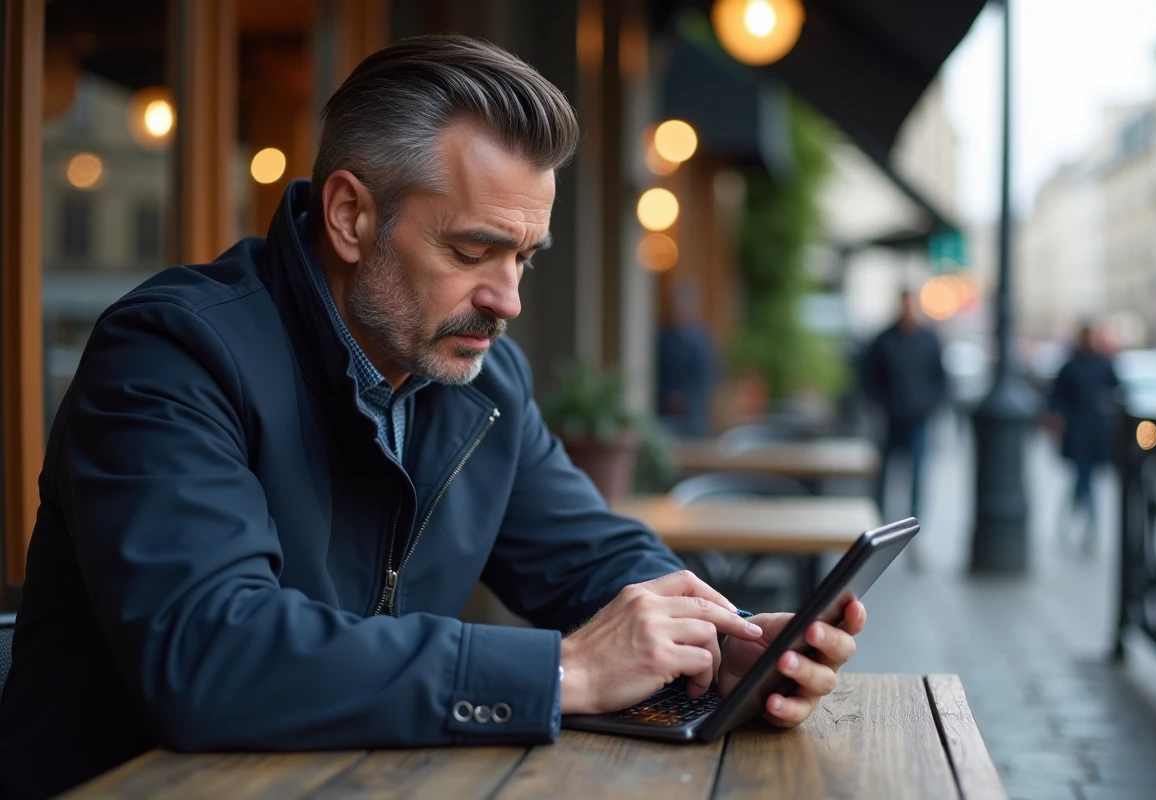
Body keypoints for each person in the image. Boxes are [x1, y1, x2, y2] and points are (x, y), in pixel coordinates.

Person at [0, 36, 866, 798]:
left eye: (524, 256)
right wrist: (563, 670)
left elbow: (592, 554)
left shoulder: (484, 383)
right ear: (350, 215)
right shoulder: (172, 355)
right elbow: (212, 655)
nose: (509, 299)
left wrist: (721, 640)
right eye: (472, 251)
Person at [862, 290, 947, 526]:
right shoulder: (885, 339)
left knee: (918, 477)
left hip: (918, 420)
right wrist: (881, 404)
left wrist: (928, 406)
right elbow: (869, 378)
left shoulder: (928, 340)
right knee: (882, 475)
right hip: (890, 419)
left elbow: (940, 379)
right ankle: (877, 521)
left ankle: (914, 526)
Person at [1046, 324, 1119, 555]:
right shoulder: (1071, 365)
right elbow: (1056, 396)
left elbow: (1116, 389)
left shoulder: (1103, 363)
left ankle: (1075, 523)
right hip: (1076, 431)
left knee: (1085, 481)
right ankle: (1087, 527)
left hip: (1095, 431)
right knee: (1084, 478)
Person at [657, 281, 718, 438]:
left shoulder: (702, 340)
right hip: (663, 413)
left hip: (693, 417)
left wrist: (687, 399)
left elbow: (709, 376)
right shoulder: (663, 338)